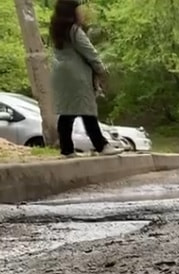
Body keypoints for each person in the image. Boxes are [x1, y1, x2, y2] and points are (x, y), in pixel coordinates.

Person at [49, 0, 120, 157]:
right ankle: (101, 146)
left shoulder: (57, 31)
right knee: (87, 110)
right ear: (71, 13)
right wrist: (102, 71)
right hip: (77, 75)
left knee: (67, 112)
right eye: (79, 10)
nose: (82, 14)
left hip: (61, 75)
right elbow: (90, 52)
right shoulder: (75, 31)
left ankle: (66, 149)